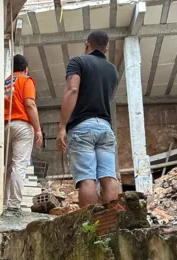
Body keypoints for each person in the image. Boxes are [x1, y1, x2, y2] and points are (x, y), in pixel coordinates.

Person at [56, 30, 119, 208]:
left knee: (87, 179)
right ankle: (113, 226)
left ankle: (92, 229)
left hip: (83, 128)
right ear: (106, 49)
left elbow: (72, 90)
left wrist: (62, 126)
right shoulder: (112, 70)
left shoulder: (78, 61)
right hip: (106, 128)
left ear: (87, 44)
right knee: (109, 177)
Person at [4, 54, 43, 211]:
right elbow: (30, 104)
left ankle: (4, 202)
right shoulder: (26, 80)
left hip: (5, 126)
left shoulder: (5, 82)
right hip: (22, 126)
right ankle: (13, 205)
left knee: (6, 168)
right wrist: (38, 129)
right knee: (19, 166)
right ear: (26, 69)